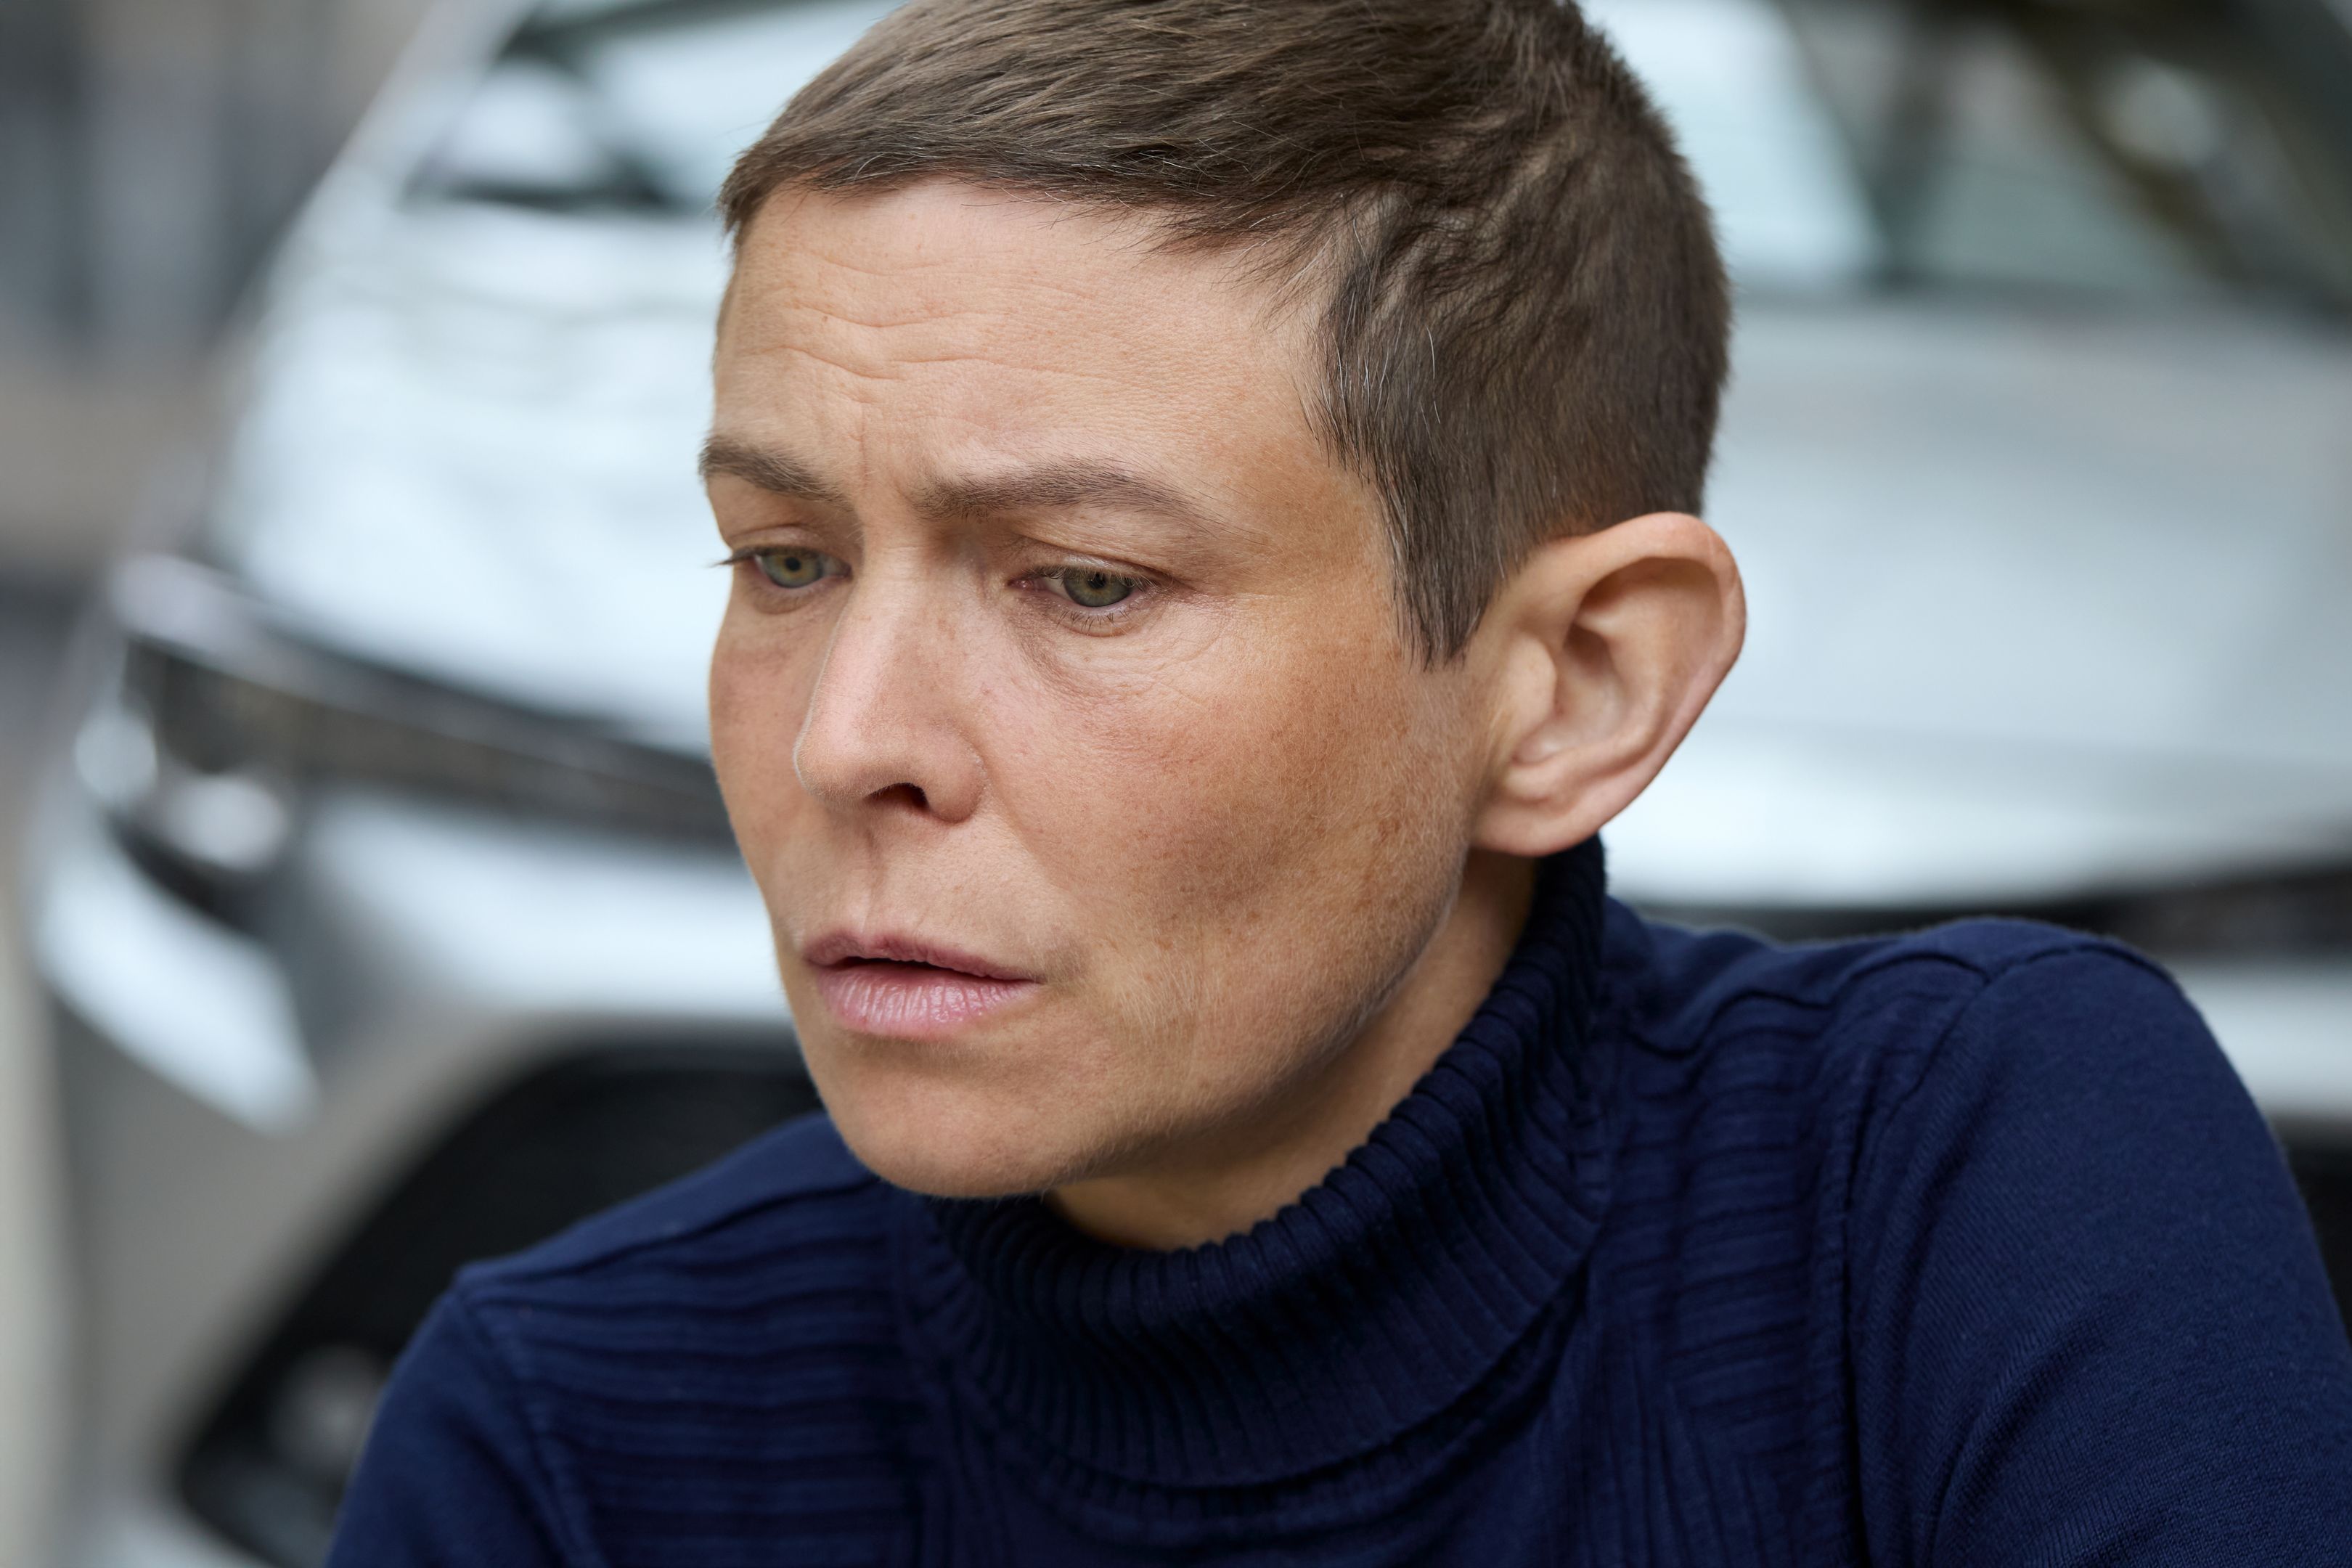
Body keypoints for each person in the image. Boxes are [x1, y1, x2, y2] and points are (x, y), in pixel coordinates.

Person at [326, 0, 2352, 1561]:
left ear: (1576, 687)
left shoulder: (1960, 1190)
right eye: (785, 561)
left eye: (1086, 582)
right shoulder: (567, 1441)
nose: (847, 740)